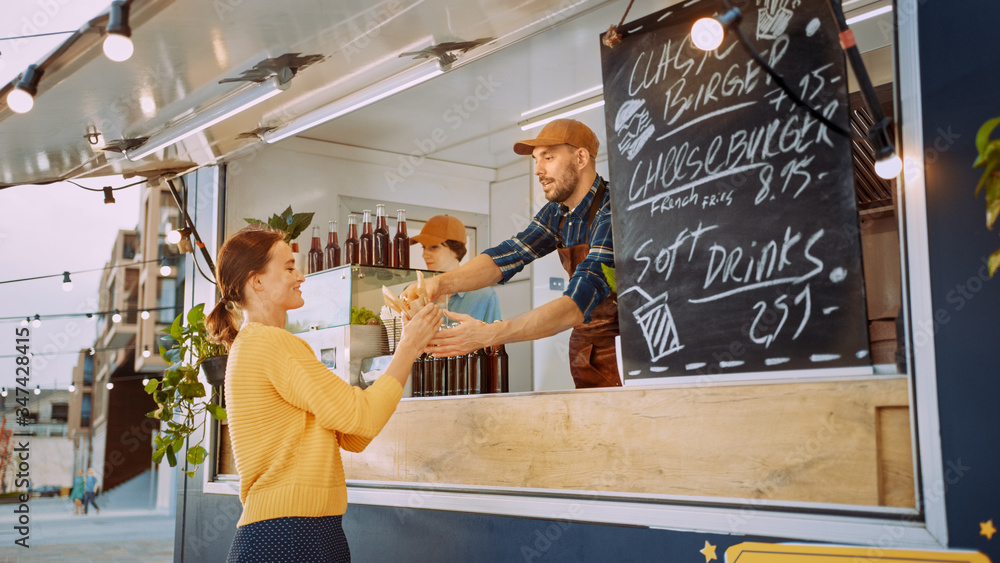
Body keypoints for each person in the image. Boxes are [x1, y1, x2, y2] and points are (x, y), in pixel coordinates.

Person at [205, 226, 441, 563]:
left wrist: (408, 347)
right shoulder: (271, 343)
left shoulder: (258, 343)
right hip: (289, 533)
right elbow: (364, 416)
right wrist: (409, 347)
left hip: (296, 529)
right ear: (256, 281)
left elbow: (355, 433)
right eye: (288, 268)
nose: (300, 276)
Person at [410, 119, 620, 389]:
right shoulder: (558, 213)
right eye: (535, 160)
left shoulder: (612, 210)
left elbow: (577, 302)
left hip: (626, 353)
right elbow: (510, 254)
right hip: (586, 350)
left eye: (548, 157)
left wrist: (489, 334)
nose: (538, 170)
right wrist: (439, 283)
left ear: (580, 158)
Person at [411, 214, 501, 324]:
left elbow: (495, 339)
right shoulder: (416, 293)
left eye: (434, 247)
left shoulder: (485, 296)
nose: (424, 254)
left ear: (455, 249)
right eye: (423, 247)